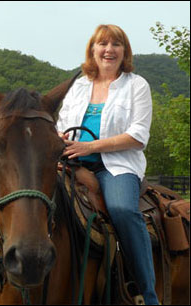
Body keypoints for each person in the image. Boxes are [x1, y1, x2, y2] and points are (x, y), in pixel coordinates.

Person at [57, 24, 159, 305]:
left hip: (116, 166)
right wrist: (60, 137)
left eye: (116, 44)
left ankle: (148, 295)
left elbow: (138, 135)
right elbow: (62, 123)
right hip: (73, 162)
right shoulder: (78, 86)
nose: (109, 50)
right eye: (103, 44)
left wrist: (90, 146)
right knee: (31, 199)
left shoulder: (136, 85)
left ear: (124, 51)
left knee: (123, 210)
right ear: (93, 50)